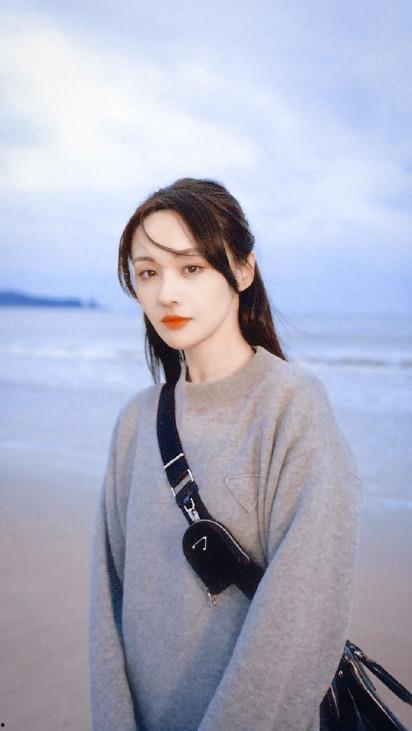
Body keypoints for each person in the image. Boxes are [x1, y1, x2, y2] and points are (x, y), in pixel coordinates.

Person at [88, 177, 363, 730]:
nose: (167, 293)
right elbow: (107, 602)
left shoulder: (292, 407)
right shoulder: (136, 421)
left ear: (242, 270)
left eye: (191, 268)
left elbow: (299, 618)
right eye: (148, 273)